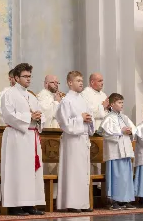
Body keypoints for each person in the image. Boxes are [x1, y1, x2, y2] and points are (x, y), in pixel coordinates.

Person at [0, 63, 46, 216]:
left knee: (30, 171)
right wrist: (29, 117)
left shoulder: (32, 96)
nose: (28, 79)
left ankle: (29, 204)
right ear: (16, 78)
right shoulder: (9, 94)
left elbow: (41, 115)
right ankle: (14, 205)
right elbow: (8, 115)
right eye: (25, 76)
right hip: (16, 137)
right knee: (17, 170)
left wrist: (39, 118)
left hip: (31, 136)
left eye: (30, 76)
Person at [55, 71, 95, 212]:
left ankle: (83, 204)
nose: (81, 82)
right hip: (72, 140)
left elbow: (90, 118)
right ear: (70, 82)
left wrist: (90, 120)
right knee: (73, 171)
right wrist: (80, 118)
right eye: (78, 80)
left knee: (83, 172)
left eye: (81, 80)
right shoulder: (66, 101)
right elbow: (64, 123)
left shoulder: (83, 100)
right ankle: (71, 203)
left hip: (83, 139)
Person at [99, 93, 136, 210]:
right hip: (114, 152)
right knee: (115, 176)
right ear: (112, 104)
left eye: (122, 103)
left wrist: (131, 132)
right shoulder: (108, 118)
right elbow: (106, 133)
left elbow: (134, 130)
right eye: (119, 103)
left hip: (125, 151)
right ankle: (113, 200)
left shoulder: (124, 118)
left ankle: (125, 200)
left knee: (126, 177)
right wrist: (121, 131)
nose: (122, 105)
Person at [0, 69, 15, 200]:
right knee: (5, 167)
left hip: (22, 135)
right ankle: (2, 198)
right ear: (10, 78)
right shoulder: (4, 94)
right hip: (7, 133)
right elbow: (2, 114)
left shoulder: (25, 94)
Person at [81, 73, 108, 185]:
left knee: (102, 157)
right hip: (93, 130)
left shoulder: (103, 94)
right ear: (92, 82)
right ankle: (92, 186)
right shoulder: (85, 94)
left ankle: (101, 186)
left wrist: (107, 107)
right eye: (100, 80)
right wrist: (102, 106)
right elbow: (88, 111)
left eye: (102, 80)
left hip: (103, 129)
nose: (102, 83)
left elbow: (106, 112)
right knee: (92, 158)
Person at [37, 75, 62, 183]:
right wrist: (57, 102)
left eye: (57, 82)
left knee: (58, 164)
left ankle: (56, 196)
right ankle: (47, 195)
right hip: (48, 134)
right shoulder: (42, 96)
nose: (56, 84)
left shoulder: (56, 96)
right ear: (46, 84)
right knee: (47, 164)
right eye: (53, 82)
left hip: (58, 133)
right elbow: (46, 114)